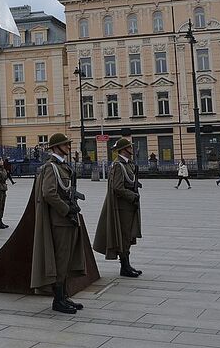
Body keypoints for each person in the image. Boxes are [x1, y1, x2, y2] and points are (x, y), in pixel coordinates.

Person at [31, 133, 89, 314]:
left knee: (67, 259)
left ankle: (63, 295)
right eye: (65, 145)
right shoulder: (51, 168)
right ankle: (58, 300)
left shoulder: (63, 167)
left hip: (68, 220)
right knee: (61, 260)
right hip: (60, 221)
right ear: (56, 147)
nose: (68, 147)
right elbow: (49, 193)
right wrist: (66, 209)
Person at [94, 138, 143, 278]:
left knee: (128, 236)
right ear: (123, 150)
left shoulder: (128, 164)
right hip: (122, 207)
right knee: (123, 236)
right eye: (129, 147)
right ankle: (124, 266)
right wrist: (132, 196)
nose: (131, 149)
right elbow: (117, 187)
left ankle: (127, 265)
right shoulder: (118, 165)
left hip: (129, 206)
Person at [0, 157, 10, 229]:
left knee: (2, 205)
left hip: (3, 188)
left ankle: (1, 220)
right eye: (0, 160)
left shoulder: (3, 169)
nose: (2, 161)